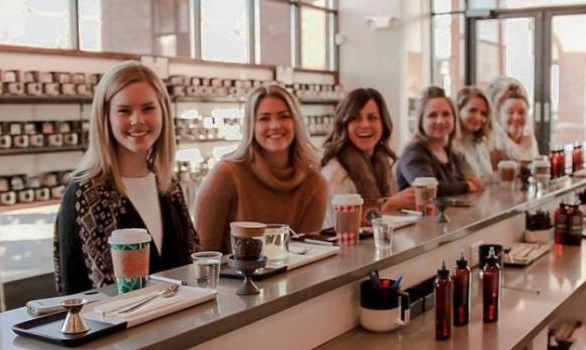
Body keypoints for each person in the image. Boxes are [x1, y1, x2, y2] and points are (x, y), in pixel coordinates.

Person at [54, 62, 197, 294]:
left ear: (163, 112)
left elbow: (189, 267)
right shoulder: (86, 192)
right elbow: (73, 291)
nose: (137, 120)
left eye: (148, 108)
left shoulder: (169, 186)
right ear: (105, 117)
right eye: (124, 111)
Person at [195, 83, 328, 252]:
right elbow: (202, 253)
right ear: (251, 126)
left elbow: (305, 255)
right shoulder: (226, 175)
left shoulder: (315, 184)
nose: (275, 125)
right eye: (264, 118)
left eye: (284, 116)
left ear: (296, 122)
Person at [321, 88, 416, 215]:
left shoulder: (382, 162)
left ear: (383, 124)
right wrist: (391, 204)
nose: (365, 125)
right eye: (356, 118)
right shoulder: (336, 173)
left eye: (372, 118)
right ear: (344, 125)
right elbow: (339, 227)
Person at [396, 86, 484, 196]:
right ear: (421, 121)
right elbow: (428, 189)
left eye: (446, 114)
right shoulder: (413, 153)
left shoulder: (452, 153)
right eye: (432, 115)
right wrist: (467, 185)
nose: (440, 121)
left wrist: (469, 182)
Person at [489, 80, 539, 165]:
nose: (516, 117)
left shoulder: (529, 139)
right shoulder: (493, 143)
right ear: (499, 115)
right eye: (510, 112)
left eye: (521, 112)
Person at [455, 86, 495, 182]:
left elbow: (487, 180)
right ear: (458, 111)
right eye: (472, 110)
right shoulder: (452, 146)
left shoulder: (480, 144)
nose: (478, 117)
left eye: (483, 114)